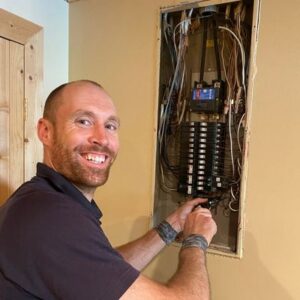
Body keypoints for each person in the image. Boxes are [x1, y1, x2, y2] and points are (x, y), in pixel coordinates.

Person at [0, 80, 217, 300]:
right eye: (84, 121)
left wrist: (172, 227)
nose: (101, 138)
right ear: (46, 131)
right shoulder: (50, 217)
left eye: (110, 126)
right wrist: (196, 241)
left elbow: (105, 274)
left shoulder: (44, 199)